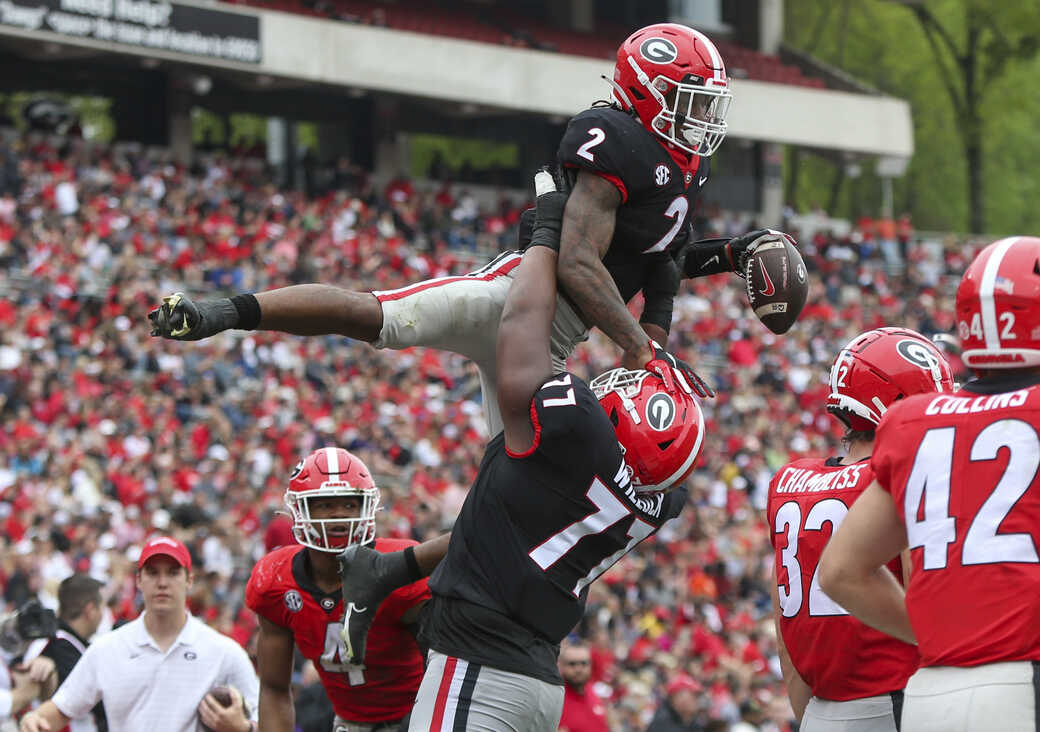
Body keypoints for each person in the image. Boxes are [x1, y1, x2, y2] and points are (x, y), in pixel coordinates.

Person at [148, 23, 805, 435]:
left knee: (517, 491)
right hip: (515, 300)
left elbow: (661, 259)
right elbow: (577, 261)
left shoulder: (680, 168)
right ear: (647, 95)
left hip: (553, 347)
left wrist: (730, 256)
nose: (702, 119)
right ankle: (222, 312)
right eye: (691, 101)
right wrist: (640, 352)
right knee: (370, 315)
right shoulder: (617, 142)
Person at [342, 171, 706, 730]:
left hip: (478, 667)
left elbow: (520, 324)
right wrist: (663, 293)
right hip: (537, 679)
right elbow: (653, 444)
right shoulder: (660, 499)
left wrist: (550, 230)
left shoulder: (574, 428)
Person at [819, 236, 1040, 731]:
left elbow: (841, 570)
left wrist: (942, 636)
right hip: (1032, 684)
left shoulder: (914, 420)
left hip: (930, 693)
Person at [768, 328, 952, 730]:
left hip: (821, 708)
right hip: (898, 703)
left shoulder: (788, 481)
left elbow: (786, 633)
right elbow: (929, 605)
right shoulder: (902, 475)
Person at [245, 446, 438, 732]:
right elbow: (274, 689)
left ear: (367, 508)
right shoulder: (275, 580)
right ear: (301, 510)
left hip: (419, 717)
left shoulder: (400, 570)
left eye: (349, 504)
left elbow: (448, 666)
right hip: (348, 723)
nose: (338, 515)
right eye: (324, 504)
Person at [19, 536, 259, 732]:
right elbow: (60, 710)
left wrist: (243, 728)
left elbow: (265, 720)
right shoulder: (108, 649)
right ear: (139, 581)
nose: (162, 582)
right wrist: (34, 718)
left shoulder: (223, 652)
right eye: (153, 573)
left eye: (173, 572)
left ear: (189, 580)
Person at [39, 574, 108, 732]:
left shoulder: (63, 642)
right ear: (90, 610)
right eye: (102, 607)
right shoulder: (60, 647)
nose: (103, 614)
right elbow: (101, 703)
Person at [556, 639, 608, 732]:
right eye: (572, 664)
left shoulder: (596, 693)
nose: (578, 669)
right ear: (560, 666)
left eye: (584, 663)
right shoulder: (556, 700)